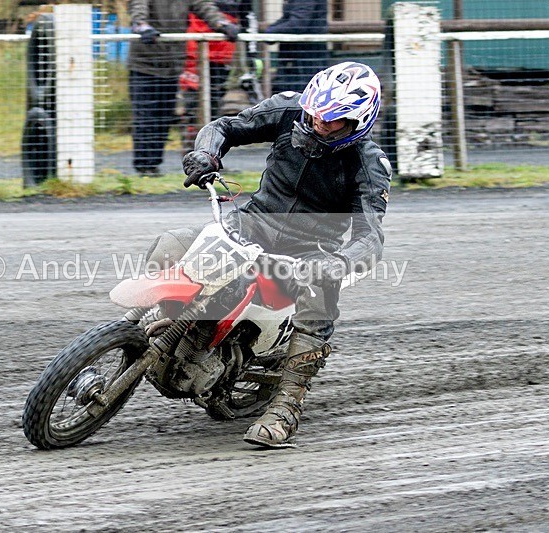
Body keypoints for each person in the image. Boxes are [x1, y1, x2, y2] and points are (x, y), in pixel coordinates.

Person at [148, 62, 391, 447]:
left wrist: (339, 262)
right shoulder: (289, 109)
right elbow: (224, 127)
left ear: (358, 122)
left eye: (332, 122)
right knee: (173, 244)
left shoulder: (368, 164)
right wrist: (206, 155)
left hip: (309, 251)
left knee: (320, 299)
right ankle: (152, 323)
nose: (318, 125)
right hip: (251, 223)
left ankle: (286, 407)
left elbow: (371, 236)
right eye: (314, 114)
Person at [129, 0, 240, 176]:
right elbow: (138, 7)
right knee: (146, 116)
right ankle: (143, 165)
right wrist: (141, 25)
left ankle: (154, 165)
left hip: (173, 63)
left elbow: (204, 6)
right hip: (145, 63)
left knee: (164, 116)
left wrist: (222, 24)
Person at [178, 0, 254, 152]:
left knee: (214, 105)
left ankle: (210, 154)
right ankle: (191, 153)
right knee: (193, 105)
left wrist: (250, 56)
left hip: (223, 52)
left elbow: (246, 18)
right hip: (197, 49)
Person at [265, 0, 329, 93]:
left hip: (306, 57)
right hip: (297, 57)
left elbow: (298, 23)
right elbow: (288, 19)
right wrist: (270, 32)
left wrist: (270, 32)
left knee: (302, 93)